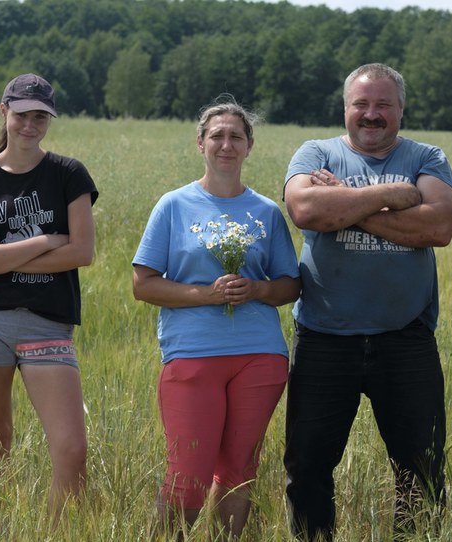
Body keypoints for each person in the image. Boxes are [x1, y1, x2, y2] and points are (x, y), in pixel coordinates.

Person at [282, 63, 452, 540]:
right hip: (323, 338)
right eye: (362, 104)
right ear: (345, 109)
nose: (372, 114)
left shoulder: (427, 157)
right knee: (309, 467)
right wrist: (394, 196)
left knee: (421, 471)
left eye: (383, 104)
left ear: (401, 109)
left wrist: (346, 205)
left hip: (406, 340)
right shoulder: (315, 152)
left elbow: (437, 227)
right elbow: (305, 209)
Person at [132, 95, 300, 539]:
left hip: (260, 356)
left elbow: (290, 284)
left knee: (239, 470)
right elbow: (143, 283)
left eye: (236, 136)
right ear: (200, 143)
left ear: (249, 146)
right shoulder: (173, 205)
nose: (226, 144)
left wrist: (258, 289)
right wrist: (207, 294)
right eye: (217, 136)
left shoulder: (265, 212)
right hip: (192, 354)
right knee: (188, 476)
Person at [0, 73, 98, 519]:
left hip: (46, 321)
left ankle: (59, 531)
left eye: (40, 117)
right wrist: (46, 240)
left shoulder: (69, 174)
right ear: (4, 112)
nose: (30, 125)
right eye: (22, 115)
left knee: (72, 449)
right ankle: (0, 527)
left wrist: (5, 254)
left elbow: (83, 252)